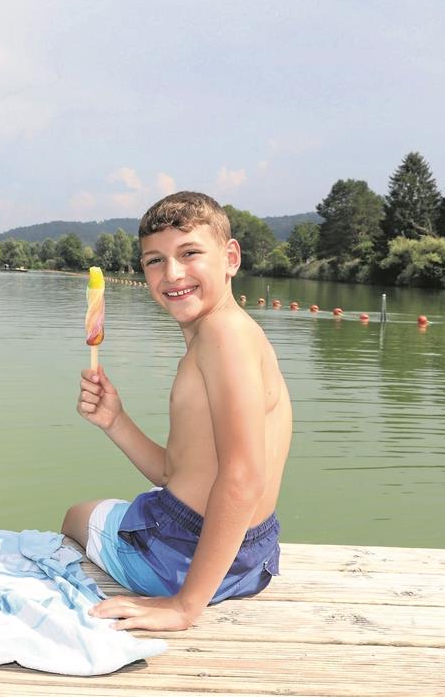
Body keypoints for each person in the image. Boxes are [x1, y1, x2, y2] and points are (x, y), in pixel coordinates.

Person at [63, 191, 291, 632]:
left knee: (77, 515)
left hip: (182, 558)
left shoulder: (223, 335)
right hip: (251, 558)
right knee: (126, 506)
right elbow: (175, 473)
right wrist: (115, 420)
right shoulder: (230, 333)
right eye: (154, 260)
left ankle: (180, 587)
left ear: (230, 257)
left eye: (189, 253)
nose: (172, 273)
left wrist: (184, 606)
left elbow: (244, 476)